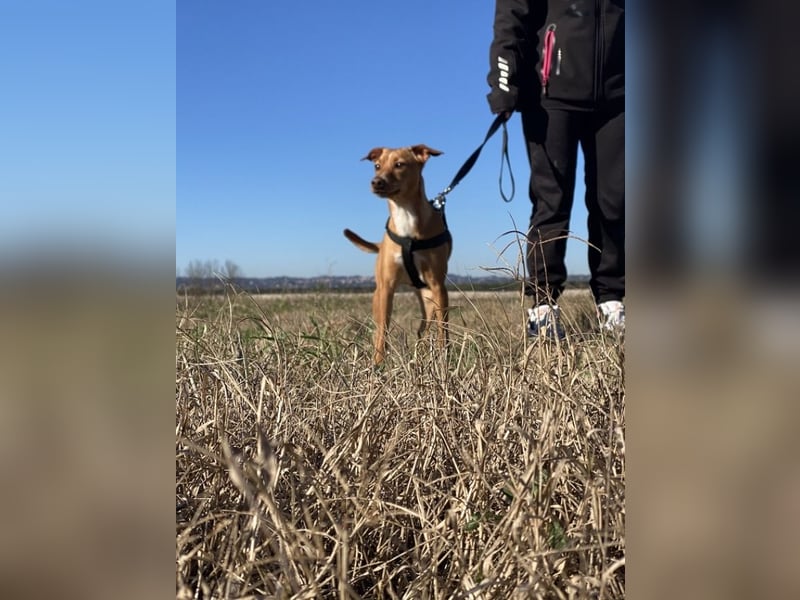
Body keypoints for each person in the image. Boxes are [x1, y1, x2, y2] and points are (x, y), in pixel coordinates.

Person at [487, 0, 625, 339]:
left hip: (618, 96)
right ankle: (543, 308)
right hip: (549, 95)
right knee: (552, 204)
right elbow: (510, 16)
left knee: (616, 201)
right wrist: (503, 84)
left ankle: (612, 304)